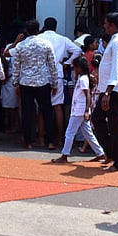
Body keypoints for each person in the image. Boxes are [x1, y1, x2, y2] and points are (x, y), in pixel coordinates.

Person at [9, 19, 58, 150]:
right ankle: (51, 141)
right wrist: (55, 83)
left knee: (27, 112)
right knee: (47, 111)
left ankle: (28, 141)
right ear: (38, 29)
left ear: (26, 31)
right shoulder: (46, 44)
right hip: (42, 81)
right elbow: (52, 64)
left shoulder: (21, 46)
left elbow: (15, 64)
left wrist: (15, 82)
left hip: (26, 82)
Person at [92, 12, 118, 172]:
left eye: (106, 24)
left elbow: (116, 66)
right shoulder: (117, 41)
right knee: (99, 119)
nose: (104, 27)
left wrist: (108, 92)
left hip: (113, 89)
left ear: (113, 25)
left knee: (114, 124)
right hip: (110, 88)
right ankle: (112, 153)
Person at [52, 56, 104, 164]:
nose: (74, 70)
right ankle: (100, 153)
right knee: (88, 133)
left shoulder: (83, 79)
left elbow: (87, 95)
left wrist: (86, 110)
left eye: (75, 68)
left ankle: (64, 155)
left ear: (79, 68)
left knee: (70, 132)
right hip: (79, 109)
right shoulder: (83, 78)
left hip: (79, 110)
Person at [40, 17, 82, 147]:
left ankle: (41, 139)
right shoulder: (62, 39)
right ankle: (60, 138)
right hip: (57, 73)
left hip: (42, 74)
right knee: (58, 107)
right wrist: (67, 63)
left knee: (41, 108)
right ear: (56, 27)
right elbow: (78, 51)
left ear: (44, 26)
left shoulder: (39, 38)